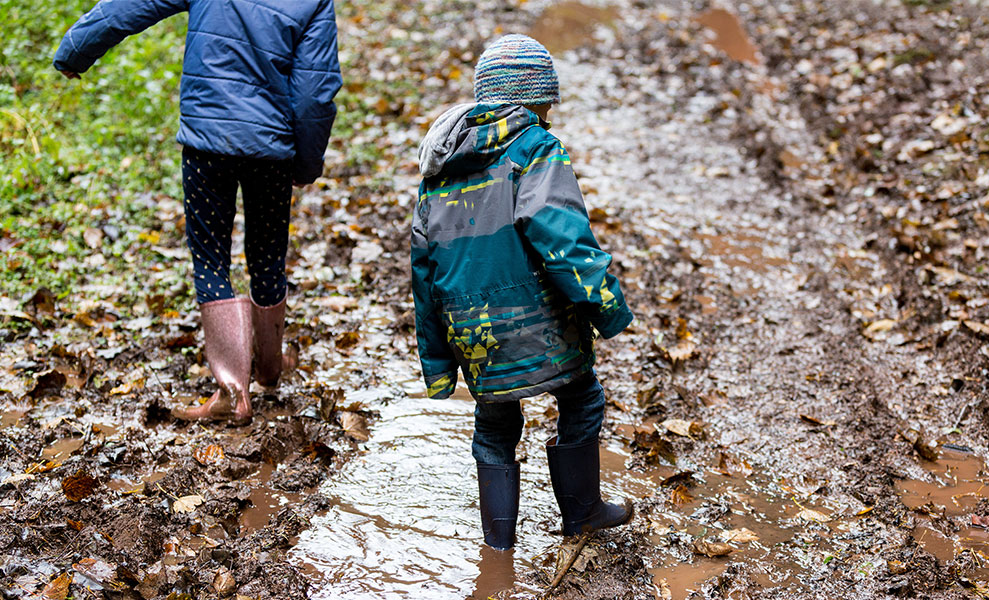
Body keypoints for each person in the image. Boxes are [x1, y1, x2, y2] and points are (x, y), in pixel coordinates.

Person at [53, 0, 342, 424]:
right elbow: (315, 92)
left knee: (210, 259)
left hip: (208, 142)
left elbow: (130, 6)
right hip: (271, 150)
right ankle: (268, 368)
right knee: (267, 255)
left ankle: (232, 392)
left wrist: (75, 51)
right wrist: (306, 164)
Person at [411, 34, 633, 551]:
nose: (550, 113)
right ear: (534, 99)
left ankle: (498, 547)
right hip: (540, 319)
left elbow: (424, 276)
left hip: (473, 331)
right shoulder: (536, 149)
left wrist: (437, 364)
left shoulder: (439, 168)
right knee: (581, 398)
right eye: (547, 102)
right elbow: (563, 239)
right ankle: (583, 513)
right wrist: (606, 305)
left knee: (494, 424)